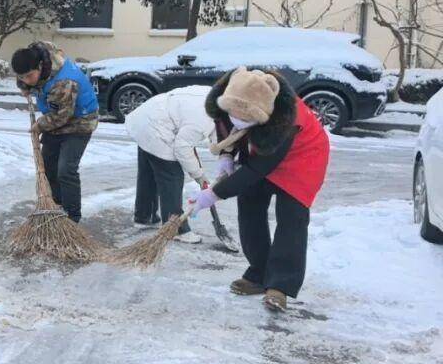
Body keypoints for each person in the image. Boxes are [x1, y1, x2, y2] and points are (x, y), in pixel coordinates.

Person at [187, 67, 330, 312]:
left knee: (291, 218)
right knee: (249, 205)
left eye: (246, 120)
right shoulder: (233, 91)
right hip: (262, 148)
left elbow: (256, 169)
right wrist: (226, 155)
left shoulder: (286, 120)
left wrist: (212, 194)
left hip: (304, 158)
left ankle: (281, 286)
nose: (237, 122)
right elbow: (226, 128)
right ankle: (258, 273)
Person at [11, 42, 100, 223]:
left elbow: (61, 116)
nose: (27, 80)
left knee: (66, 169)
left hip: (80, 122)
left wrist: (39, 125)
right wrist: (24, 86)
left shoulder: (64, 82)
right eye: (22, 77)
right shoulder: (35, 54)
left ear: (40, 67)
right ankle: (57, 205)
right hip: (56, 116)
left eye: (29, 76)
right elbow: (25, 75)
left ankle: (72, 217)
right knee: (48, 164)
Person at [123, 86, 216, 244]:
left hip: (145, 117)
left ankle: (144, 217)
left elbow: (198, 136)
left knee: (149, 173)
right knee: (172, 175)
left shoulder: (213, 95)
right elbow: (183, 148)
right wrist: (199, 175)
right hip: (157, 126)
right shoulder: (205, 119)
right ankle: (176, 229)